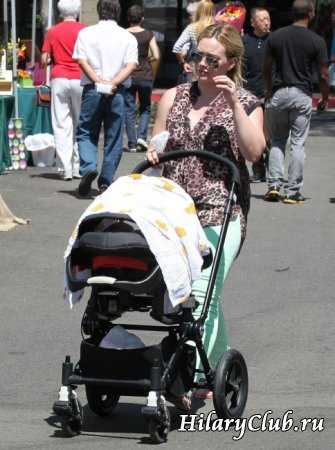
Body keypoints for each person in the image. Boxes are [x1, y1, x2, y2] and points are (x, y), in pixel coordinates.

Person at [147, 23, 265, 405]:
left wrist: (233, 105)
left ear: (231, 62)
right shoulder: (174, 95)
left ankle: (189, 380)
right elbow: (159, 138)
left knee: (202, 292)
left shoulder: (247, 102)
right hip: (175, 210)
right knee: (190, 296)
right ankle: (218, 366)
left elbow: (253, 152)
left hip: (222, 208)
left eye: (212, 59)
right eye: (198, 56)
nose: (202, 64)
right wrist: (153, 149)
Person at [263, 0, 329, 204]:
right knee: (298, 143)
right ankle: (293, 192)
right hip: (301, 94)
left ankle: (274, 185)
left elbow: (266, 66)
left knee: (277, 140)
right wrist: (324, 97)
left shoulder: (276, 36)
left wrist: (268, 90)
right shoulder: (317, 40)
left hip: (279, 93)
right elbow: (324, 75)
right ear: (311, 13)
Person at [73, 0, 138, 197]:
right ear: (118, 12)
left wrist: (97, 80)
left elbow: (81, 59)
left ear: (99, 10)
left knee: (86, 131)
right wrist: (114, 83)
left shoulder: (86, 33)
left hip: (93, 88)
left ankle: (89, 167)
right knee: (114, 136)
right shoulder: (127, 36)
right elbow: (131, 64)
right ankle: (106, 181)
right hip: (117, 91)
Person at [41, 0, 86, 180]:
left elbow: (44, 59)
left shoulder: (52, 31)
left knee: (61, 123)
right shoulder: (85, 30)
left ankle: (64, 167)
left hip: (59, 77)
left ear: (60, 12)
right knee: (80, 122)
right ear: (77, 11)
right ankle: (77, 166)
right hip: (80, 78)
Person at [124, 5, 160, 153]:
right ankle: (142, 138)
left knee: (129, 109)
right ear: (142, 19)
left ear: (128, 18)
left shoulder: (124, 34)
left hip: (129, 74)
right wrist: (146, 59)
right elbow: (156, 55)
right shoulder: (148, 34)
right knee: (145, 107)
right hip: (145, 74)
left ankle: (131, 143)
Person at [243, 7, 271, 183]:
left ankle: (273, 169)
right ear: (253, 22)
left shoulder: (275, 41)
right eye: (262, 19)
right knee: (255, 133)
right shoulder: (244, 41)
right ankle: (258, 169)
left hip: (270, 93)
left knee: (269, 135)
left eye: (268, 18)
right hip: (250, 93)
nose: (266, 22)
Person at [172, 0, 215, 83]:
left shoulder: (192, 27)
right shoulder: (218, 27)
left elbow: (176, 48)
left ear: (199, 11)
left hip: (196, 66)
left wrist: (183, 63)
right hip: (214, 65)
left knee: (193, 92)